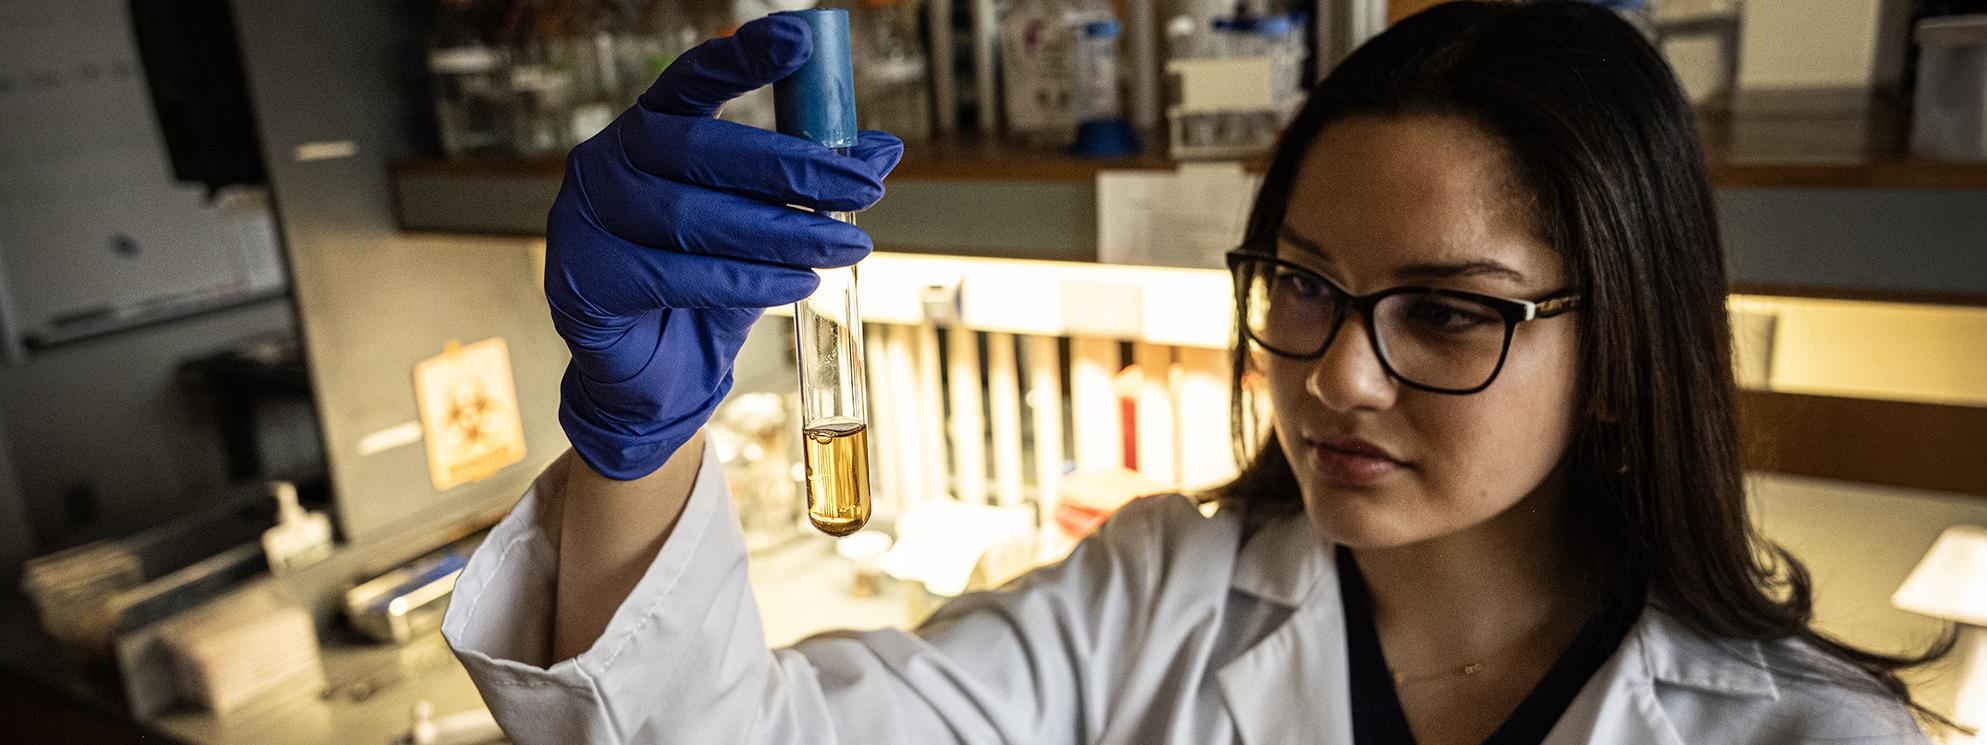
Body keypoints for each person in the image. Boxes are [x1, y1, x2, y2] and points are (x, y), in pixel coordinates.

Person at [442, 3, 1958, 743]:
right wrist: (642, 449)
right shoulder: (1156, 599)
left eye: (1445, 314)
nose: (1338, 377)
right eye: (1302, 284)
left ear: (1621, 347)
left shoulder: (1808, 737)